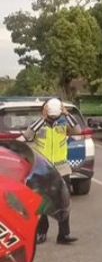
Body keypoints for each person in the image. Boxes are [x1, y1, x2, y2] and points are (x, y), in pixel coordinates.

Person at [22, 97, 80, 245]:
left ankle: (64, 234)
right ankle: (41, 232)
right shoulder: (37, 126)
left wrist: (66, 114)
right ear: (44, 110)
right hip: (42, 169)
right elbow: (28, 135)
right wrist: (43, 118)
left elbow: (77, 130)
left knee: (64, 203)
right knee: (41, 204)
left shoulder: (62, 125)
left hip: (62, 169)